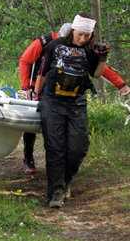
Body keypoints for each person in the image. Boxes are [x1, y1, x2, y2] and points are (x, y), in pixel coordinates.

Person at [19, 23, 129, 175]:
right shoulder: (44, 42)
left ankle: (64, 165)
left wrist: (120, 84)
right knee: (31, 119)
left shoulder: (82, 46)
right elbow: (25, 61)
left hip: (65, 91)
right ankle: (28, 158)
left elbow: (99, 67)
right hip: (38, 82)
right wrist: (26, 88)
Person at [35, 13, 109, 208]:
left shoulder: (89, 51)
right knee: (55, 147)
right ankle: (56, 192)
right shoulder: (55, 45)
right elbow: (42, 73)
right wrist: (36, 96)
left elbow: (95, 74)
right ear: (72, 30)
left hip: (77, 103)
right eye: (79, 34)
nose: (82, 39)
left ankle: (66, 182)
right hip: (52, 101)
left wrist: (102, 58)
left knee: (78, 147)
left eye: (87, 36)